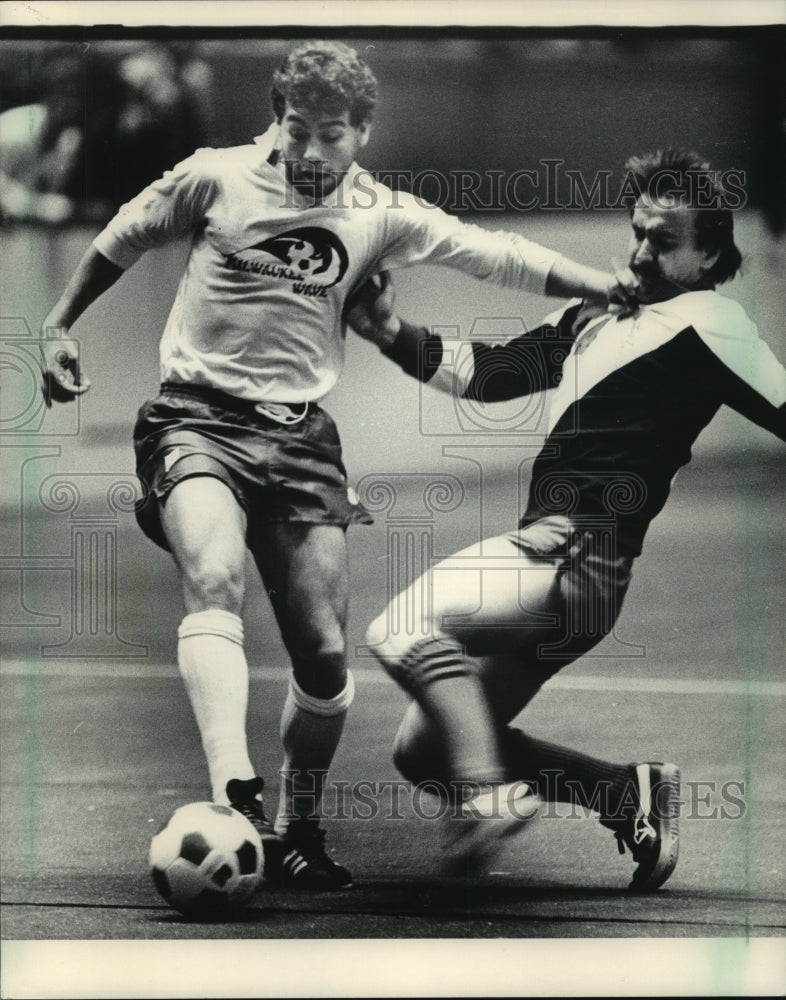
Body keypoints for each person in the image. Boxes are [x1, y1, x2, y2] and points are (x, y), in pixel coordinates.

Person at [39, 40, 633, 892]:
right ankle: (236, 797)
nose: (311, 151)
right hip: (196, 417)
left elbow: (493, 252)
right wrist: (58, 326)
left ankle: (298, 825)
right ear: (276, 120)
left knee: (322, 655)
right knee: (214, 576)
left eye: (331, 135)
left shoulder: (379, 213)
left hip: (301, 441)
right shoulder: (214, 177)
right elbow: (121, 237)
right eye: (297, 129)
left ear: (363, 133)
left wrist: (602, 287)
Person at [352, 148, 786, 890]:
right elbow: (490, 374)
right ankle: (622, 792)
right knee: (424, 753)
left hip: (575, 556)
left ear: (710, 254)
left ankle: (489, 796)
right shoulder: (595, 311)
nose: (641, 253)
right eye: (638, 233)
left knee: (400, 628)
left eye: (664, 241)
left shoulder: (715, 322)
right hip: (562, 577)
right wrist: (389, 331)